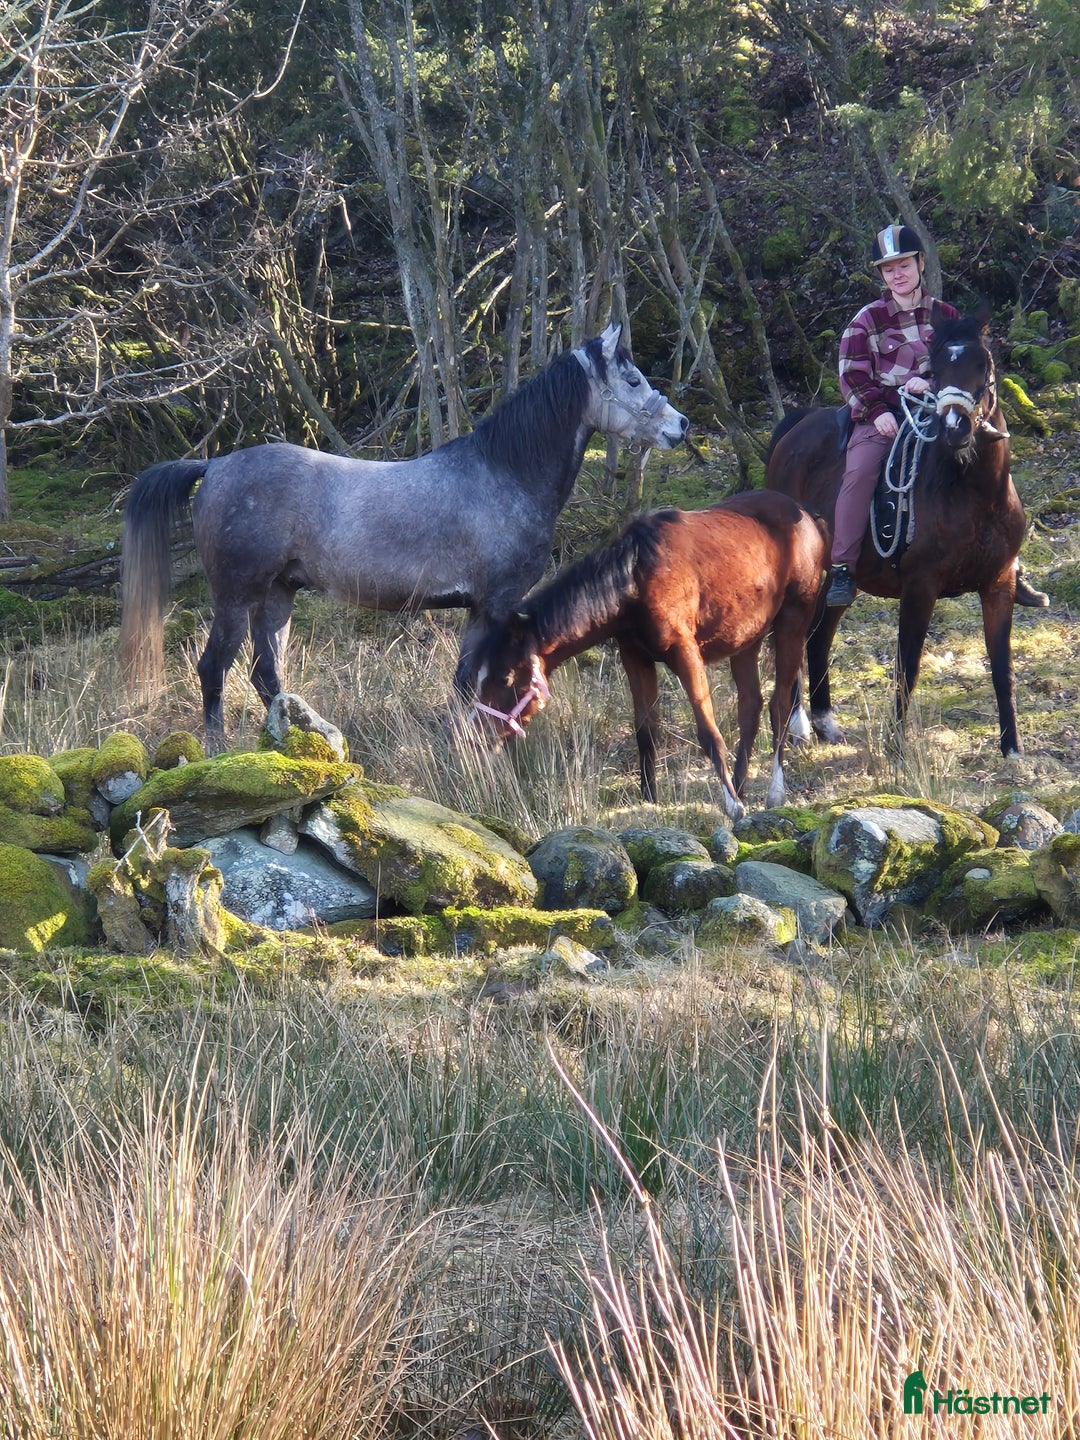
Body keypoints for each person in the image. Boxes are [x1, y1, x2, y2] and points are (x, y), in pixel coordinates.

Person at [825, 224, 958, 608]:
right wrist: (877, 411)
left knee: (986, 452)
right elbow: (851, 374)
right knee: (859, 472)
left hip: (938, 410)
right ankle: (842, 569)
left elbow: (966, 366)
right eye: (888, 269)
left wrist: (930, 384)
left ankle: (1006, 562)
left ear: (920, 263)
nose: (897, 275)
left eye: (903, 266)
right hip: (882, 415)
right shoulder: (866, 319)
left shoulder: (947, 316)